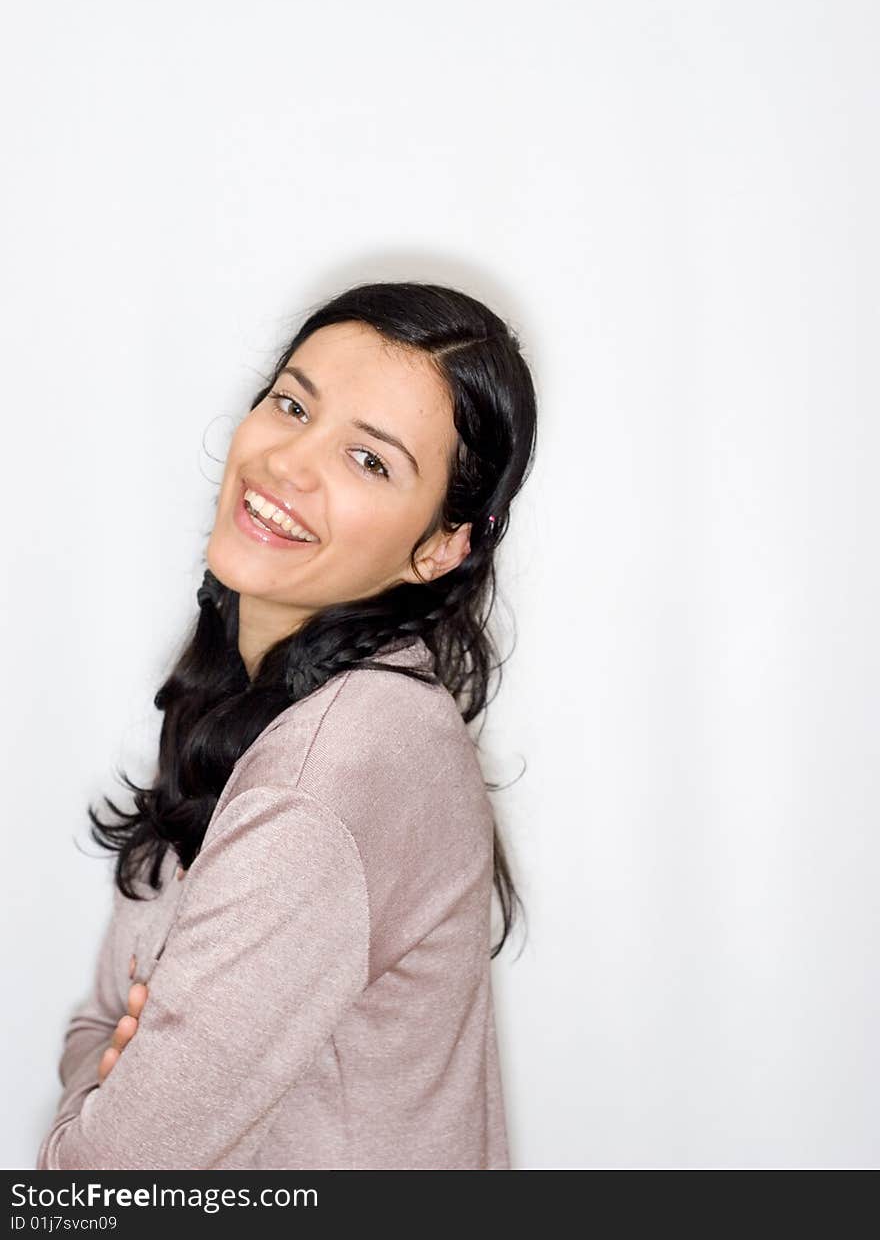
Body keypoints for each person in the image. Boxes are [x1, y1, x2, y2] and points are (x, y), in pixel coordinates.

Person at [36, 281, 538, 1170]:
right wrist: (113, 1080)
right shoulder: (254, 698)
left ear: (441, 545)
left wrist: (112, 1094)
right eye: (293, 404)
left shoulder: (329, 771)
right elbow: (98, 1022)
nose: (288, 464)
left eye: (370, 460)